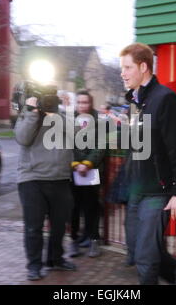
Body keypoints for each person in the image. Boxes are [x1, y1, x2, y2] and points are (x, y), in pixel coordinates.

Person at [119, 42, 176, 285]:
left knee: (145, 257)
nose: (122, 73)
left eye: (127, 67)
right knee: (137, 248)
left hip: (158, 191)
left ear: (143, 67)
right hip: (137, 190)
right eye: (121, 68)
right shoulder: (138, 102)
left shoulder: (166, 100)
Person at [14, 96, 77, 281]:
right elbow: (23, 138)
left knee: (59, 225)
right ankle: (34, 265)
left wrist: (58, 113)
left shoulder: (62, 116)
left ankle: (55, 259)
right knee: (34, 227)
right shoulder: (26, 115)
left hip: (60, 178)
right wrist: (33, 112)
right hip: (32, 178)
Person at [69, 91, 106, 258]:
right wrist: (77, 164)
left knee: (92, 207)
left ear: (90, 103)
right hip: (74, 171)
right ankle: (74, 241)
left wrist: (87, 163)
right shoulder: (69, 120)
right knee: (74, 208)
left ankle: (93, 240)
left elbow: (101, 146)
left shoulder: (100, 121)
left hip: (93, 170)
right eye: (79, 102)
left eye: (85, 102)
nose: (82, 105)